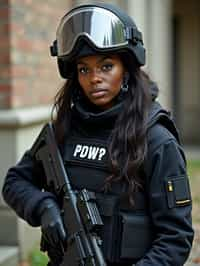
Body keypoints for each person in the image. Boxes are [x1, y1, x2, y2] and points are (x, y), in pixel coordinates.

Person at [2, 3, 194, 266]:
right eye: (84, 69)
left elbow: (175, 239)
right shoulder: (65, 130)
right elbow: (15, 182)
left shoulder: (157, 140)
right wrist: (43, 206)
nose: (94, 78)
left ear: (126, 68)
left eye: (106, 66)